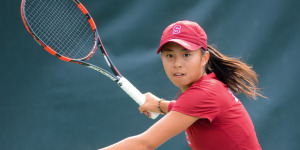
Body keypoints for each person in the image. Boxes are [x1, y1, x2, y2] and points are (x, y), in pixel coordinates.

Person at [99, 20, 264, 150]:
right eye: (169, 55)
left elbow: (144, 144)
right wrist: (159, 105)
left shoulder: (205, 94)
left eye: (186, 54)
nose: (177, 64)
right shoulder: (207, 88)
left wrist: (160, 105)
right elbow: (190, 110)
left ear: (204, 58)